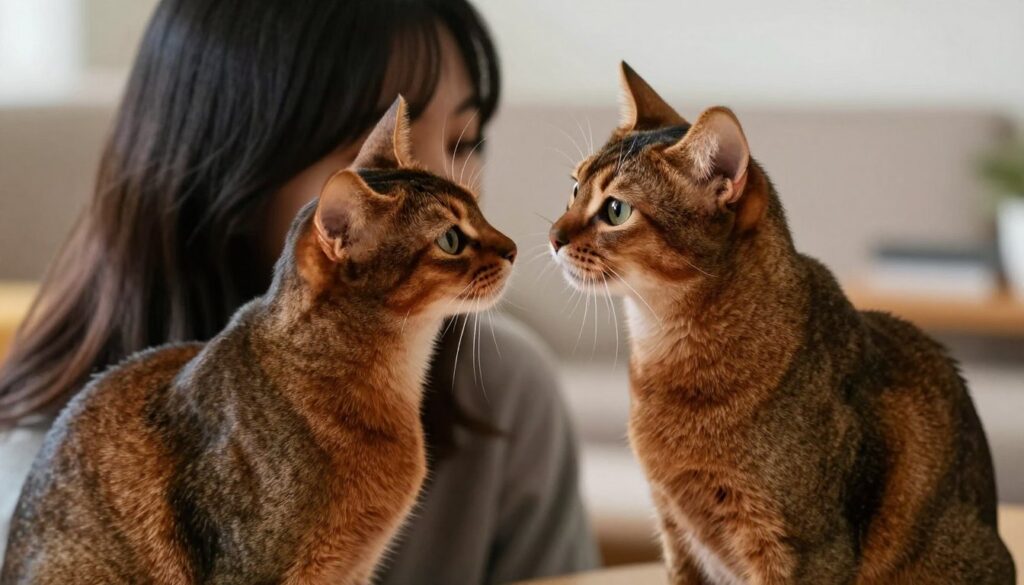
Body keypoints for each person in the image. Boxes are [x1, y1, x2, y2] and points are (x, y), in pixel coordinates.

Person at [0, 1, 600, 582]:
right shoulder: (41, 467)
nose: (441, 181)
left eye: (467, 141)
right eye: (383, 171)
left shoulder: (508, 386)